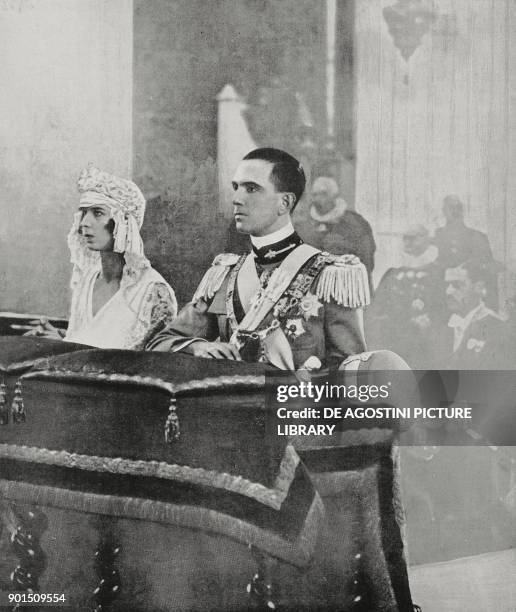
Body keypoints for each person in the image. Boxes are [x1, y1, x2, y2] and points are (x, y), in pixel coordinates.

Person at [147, 148, 370, 370]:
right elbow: (161, 342)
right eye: (236, 187)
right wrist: (196, 347)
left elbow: (352, 370)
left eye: (251, 189)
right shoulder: (225, 274)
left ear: (285, 203)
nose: (236, 199)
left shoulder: (330, 275)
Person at [29, 165, 177, 350]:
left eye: (98, 213)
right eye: (83, 213)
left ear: (123, 223)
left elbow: (145, 364)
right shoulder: (87, 280)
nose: (84, 223)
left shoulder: (153, 292)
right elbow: (83, 341)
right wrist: (59, 341)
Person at [294, 176, 376, 281]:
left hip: (346, 284)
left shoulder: (356, 223)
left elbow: (367, 260)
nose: (317, 199)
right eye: (315, 194)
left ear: (334, 196)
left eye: (323, 194)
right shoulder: (303, 226)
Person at [444, 259, 509, 368]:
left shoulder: (497, 328)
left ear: (479, 288)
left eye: (457, 285)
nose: (448, 291)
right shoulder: (444, 326)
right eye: (447, 285)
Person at [434, 195, 493, 269]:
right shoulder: (438, 234)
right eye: (451, 208)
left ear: (462, 210)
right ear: (443, 211)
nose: (455, 211)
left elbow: (489, 267)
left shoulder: (478, 236)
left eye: (458, 207)